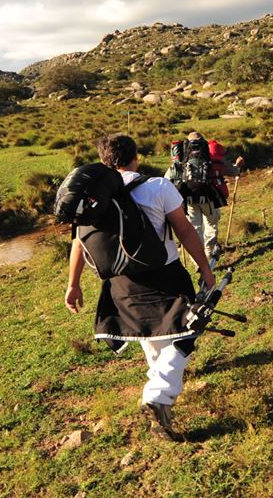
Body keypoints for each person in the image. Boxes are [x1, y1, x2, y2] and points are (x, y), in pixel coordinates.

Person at [64, 133, 217, 442]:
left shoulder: (93, 197)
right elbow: (185, 230)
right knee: (186, 335)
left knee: (149, 332)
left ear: (105, 160)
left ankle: (159, 382)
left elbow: (79, 243)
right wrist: (204, 268)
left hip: (119, 283)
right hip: (165, 275)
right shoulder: (157, 186)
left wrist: (73, 284)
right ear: (136, 156)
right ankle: (158, 397)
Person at [165, 131, 244, 261]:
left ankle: (197, 259)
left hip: (189, 199)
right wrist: (238, 166)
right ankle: (210, 251)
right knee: (211, 224)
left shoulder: (181, 158)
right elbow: (233, 171)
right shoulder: (211, 156)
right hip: (208, 198)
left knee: (195, 228)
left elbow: (167, 179)